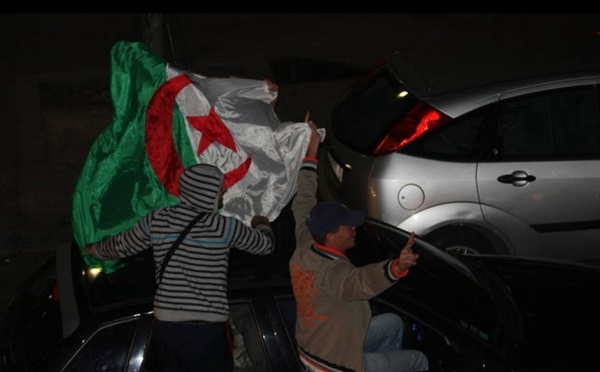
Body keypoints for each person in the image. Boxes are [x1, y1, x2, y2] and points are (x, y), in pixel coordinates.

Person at [85, 163, 275, 372]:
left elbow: (121, 245)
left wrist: (94, 249)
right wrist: (261, 224)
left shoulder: (159, 219)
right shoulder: (225, 227)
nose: (225, 190)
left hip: (168, 330)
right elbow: (265, 246)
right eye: (220, 186)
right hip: (209, 332)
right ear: (207, 190)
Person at [289, 118, 429, 372]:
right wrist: (396, 266)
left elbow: (303, 201)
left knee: (392, 324)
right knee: (418, 361)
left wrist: (312, 150)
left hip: (317, 342)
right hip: (331, 364)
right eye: (348, 225)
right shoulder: (333, 274)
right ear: (331, 235)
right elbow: (360, 281)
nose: (354, 229)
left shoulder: (306, 242)